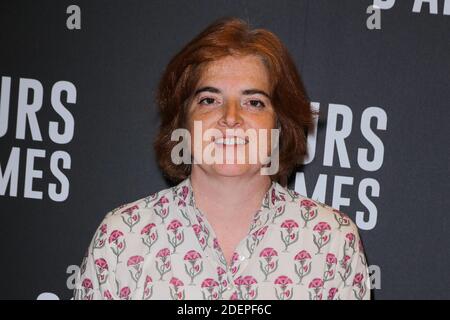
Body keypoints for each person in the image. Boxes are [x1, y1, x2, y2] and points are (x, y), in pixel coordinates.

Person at [74, 17, 370, 300]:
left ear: (279, 124)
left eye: (254, 102)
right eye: (209, 100)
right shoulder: (122, 239)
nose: (230, 118)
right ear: (184, 121)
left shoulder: (332, 241)